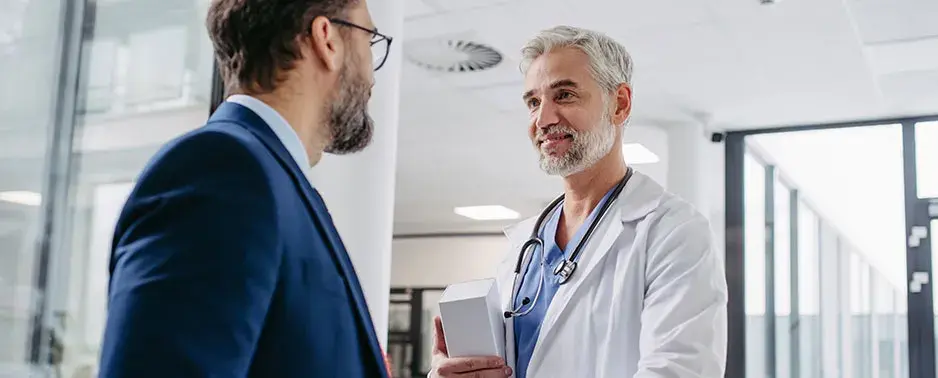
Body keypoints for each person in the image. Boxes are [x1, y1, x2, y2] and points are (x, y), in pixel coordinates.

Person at [97, 0, 393, 377]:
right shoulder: (221, 170)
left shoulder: (274, 184)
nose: (372, 76)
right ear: (327, 39)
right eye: (369, 39)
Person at [429, 25, 727, 378]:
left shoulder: (674, 232)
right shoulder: (526, 245)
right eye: (533, 102)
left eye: (565, 95)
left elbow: (680, 370)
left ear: (620, 104)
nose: (543, 119)